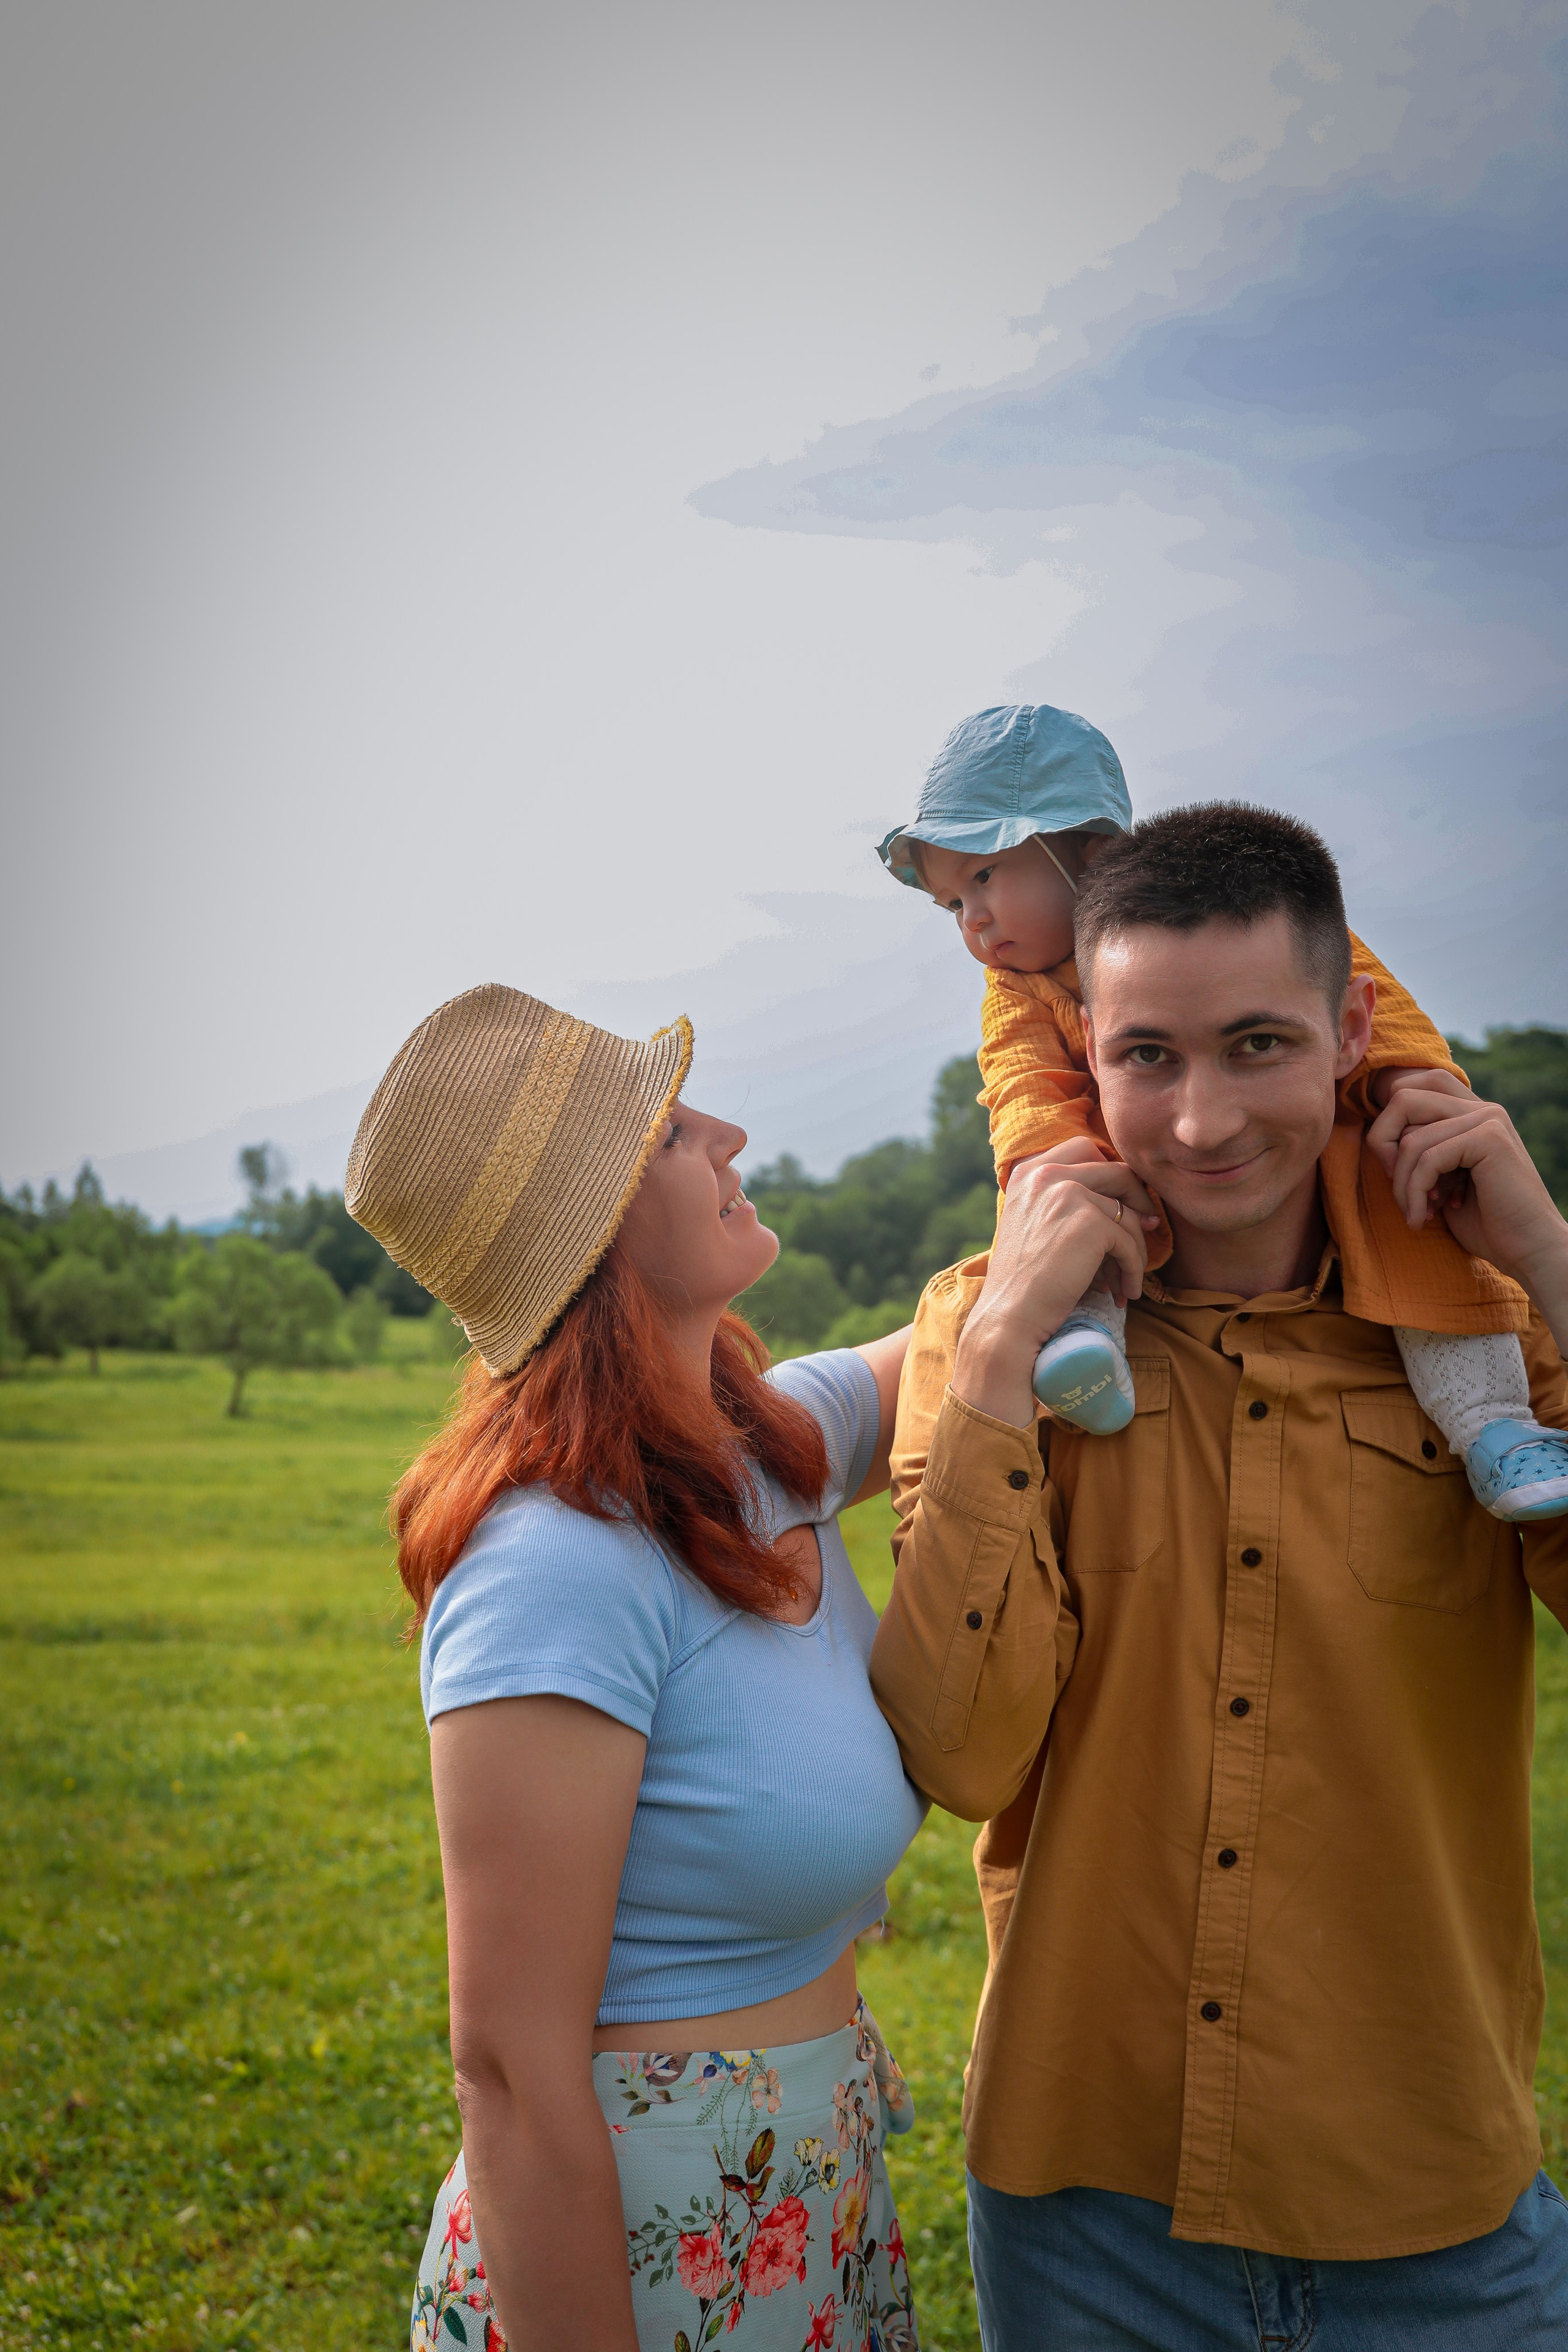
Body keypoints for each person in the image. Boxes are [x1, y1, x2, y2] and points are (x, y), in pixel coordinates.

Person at [869, 803, 1568, 2349]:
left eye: (1255, 1045)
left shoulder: (1488, 1337)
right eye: (1147, 1059)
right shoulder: (984, 1340)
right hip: (1082, 2217)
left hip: (1430, 2210)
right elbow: (960, 1752)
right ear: (1081, 1059)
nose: (1197, 1124)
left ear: (1351, 1033)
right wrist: (995, 1364)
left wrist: (1553, 1264)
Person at [344, 983, 927, 2352]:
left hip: (806, 2203)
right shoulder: (552, 1561)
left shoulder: (762, 1454)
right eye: (671, 1129)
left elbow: (985, 1320)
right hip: (638, 2250)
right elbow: (505, 2069)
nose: (726, 1134)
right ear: (590, 1224)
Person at [877, 704, 1568, 1519]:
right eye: (952, 905)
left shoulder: (1272, 921)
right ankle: (1083, 1341)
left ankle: (1491, 1419)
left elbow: (1397, 1031)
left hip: (1368, 1178)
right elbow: (1021, 1080)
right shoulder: (1016, 996)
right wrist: (1039, 1165)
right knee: (1078, 1217)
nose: (974, 921)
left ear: (1093, 855)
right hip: (1109, 1204)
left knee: (1414, 1226)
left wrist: (1421, 1099)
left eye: (985, 877)